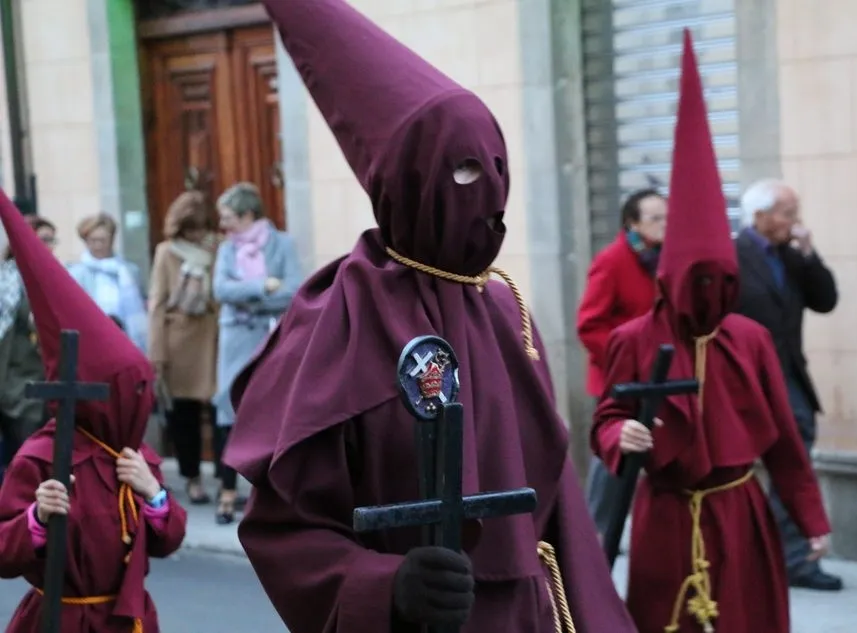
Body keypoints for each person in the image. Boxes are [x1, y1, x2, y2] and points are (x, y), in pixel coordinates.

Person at [222, 1, 636, 632]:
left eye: (496, 164)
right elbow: (282, 528)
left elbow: (558, 509)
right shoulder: (338, 319)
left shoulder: (505, 309)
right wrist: (383, 585)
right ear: (407, 178)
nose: (489, 187)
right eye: (464, 168)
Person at [591, 31, 832, 633]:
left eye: (718, 281)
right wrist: (621, 432)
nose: (707, 294)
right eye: (695, 281)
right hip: (667, 513)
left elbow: (783, 440)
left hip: (740, 510)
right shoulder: (633, 338)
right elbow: (606, 417)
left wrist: (810, 517)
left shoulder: (749, 339)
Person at [0, 190, 186, 633]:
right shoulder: (41, 457)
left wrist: (154, 495)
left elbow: (166, 541)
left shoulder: (134, 457)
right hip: (60, 619)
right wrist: (37, 518)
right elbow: (3, 554)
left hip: (126, 621)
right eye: (129, 391)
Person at [735, 178, 841, 591]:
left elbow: (826, 301)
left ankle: (795, 559)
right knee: (739, 467)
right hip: (744, 380)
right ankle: (747, 556)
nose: (795, 222)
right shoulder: (732, 256)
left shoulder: (793, 256)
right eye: (788, 213)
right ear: (760, 216)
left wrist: (810, 255)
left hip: (790, 377)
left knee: (796, 461)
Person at [577, 189, 666, 538]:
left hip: (656, 376)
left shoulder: (663, 260)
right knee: (611, 458)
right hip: (618, 379)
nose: (665, 224)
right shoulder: (612, 260)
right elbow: (589, 325)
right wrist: (625, 362)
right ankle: (593, 537)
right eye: (656, 218)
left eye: (668, 217)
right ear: (632, 223)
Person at [212, 182, 301, 525]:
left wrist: (246, 297)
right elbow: (221, 289)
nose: (224, 224)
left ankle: (271, 496)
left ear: (248, 214)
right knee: (228, 410)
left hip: (272, 337)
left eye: (229, 217)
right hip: (235, 339)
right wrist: (263, 286)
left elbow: (294, 291)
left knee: (272, 411)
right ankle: (227, 492)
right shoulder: (227, 249)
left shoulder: (282, 243)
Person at [147, 191, 219, 505]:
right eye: (190, 229)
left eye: (201, 228)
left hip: (213, 337)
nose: (196, 235)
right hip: (179, 342)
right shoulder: (166, 252)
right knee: (184, 415)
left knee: (221, 411)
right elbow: (157, 303)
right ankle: (192, 478)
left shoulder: (219, 247)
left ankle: (225, 478)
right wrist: (157, 353)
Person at [0, 216, 56, 479]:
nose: (49, 246)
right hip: (15, 377)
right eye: (43, 240)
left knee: (32, 453)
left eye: (51, 240)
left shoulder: (45, 276)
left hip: (34, 378)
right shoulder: (10, 278)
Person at [68, 213, 148, 351]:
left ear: (112, 240)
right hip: (90, 340)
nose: (98, 245)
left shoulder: (129, 271)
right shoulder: (75, 273)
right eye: (93, 240)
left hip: (126, 339)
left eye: (103, 240)